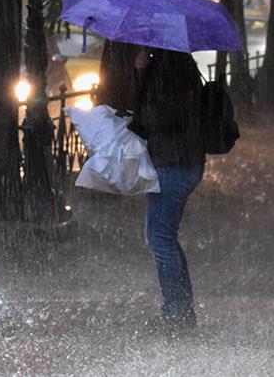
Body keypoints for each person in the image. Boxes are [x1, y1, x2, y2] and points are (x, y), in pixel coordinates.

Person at [102, 42, 205, 332]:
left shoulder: (169, 65)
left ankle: (177, 314)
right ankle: (181, 310)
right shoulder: (174, 61)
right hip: (179, 160)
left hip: (174, 162)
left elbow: (163, 116)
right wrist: (140, 73)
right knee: (164, 239)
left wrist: (142, 81)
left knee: (160, 240)